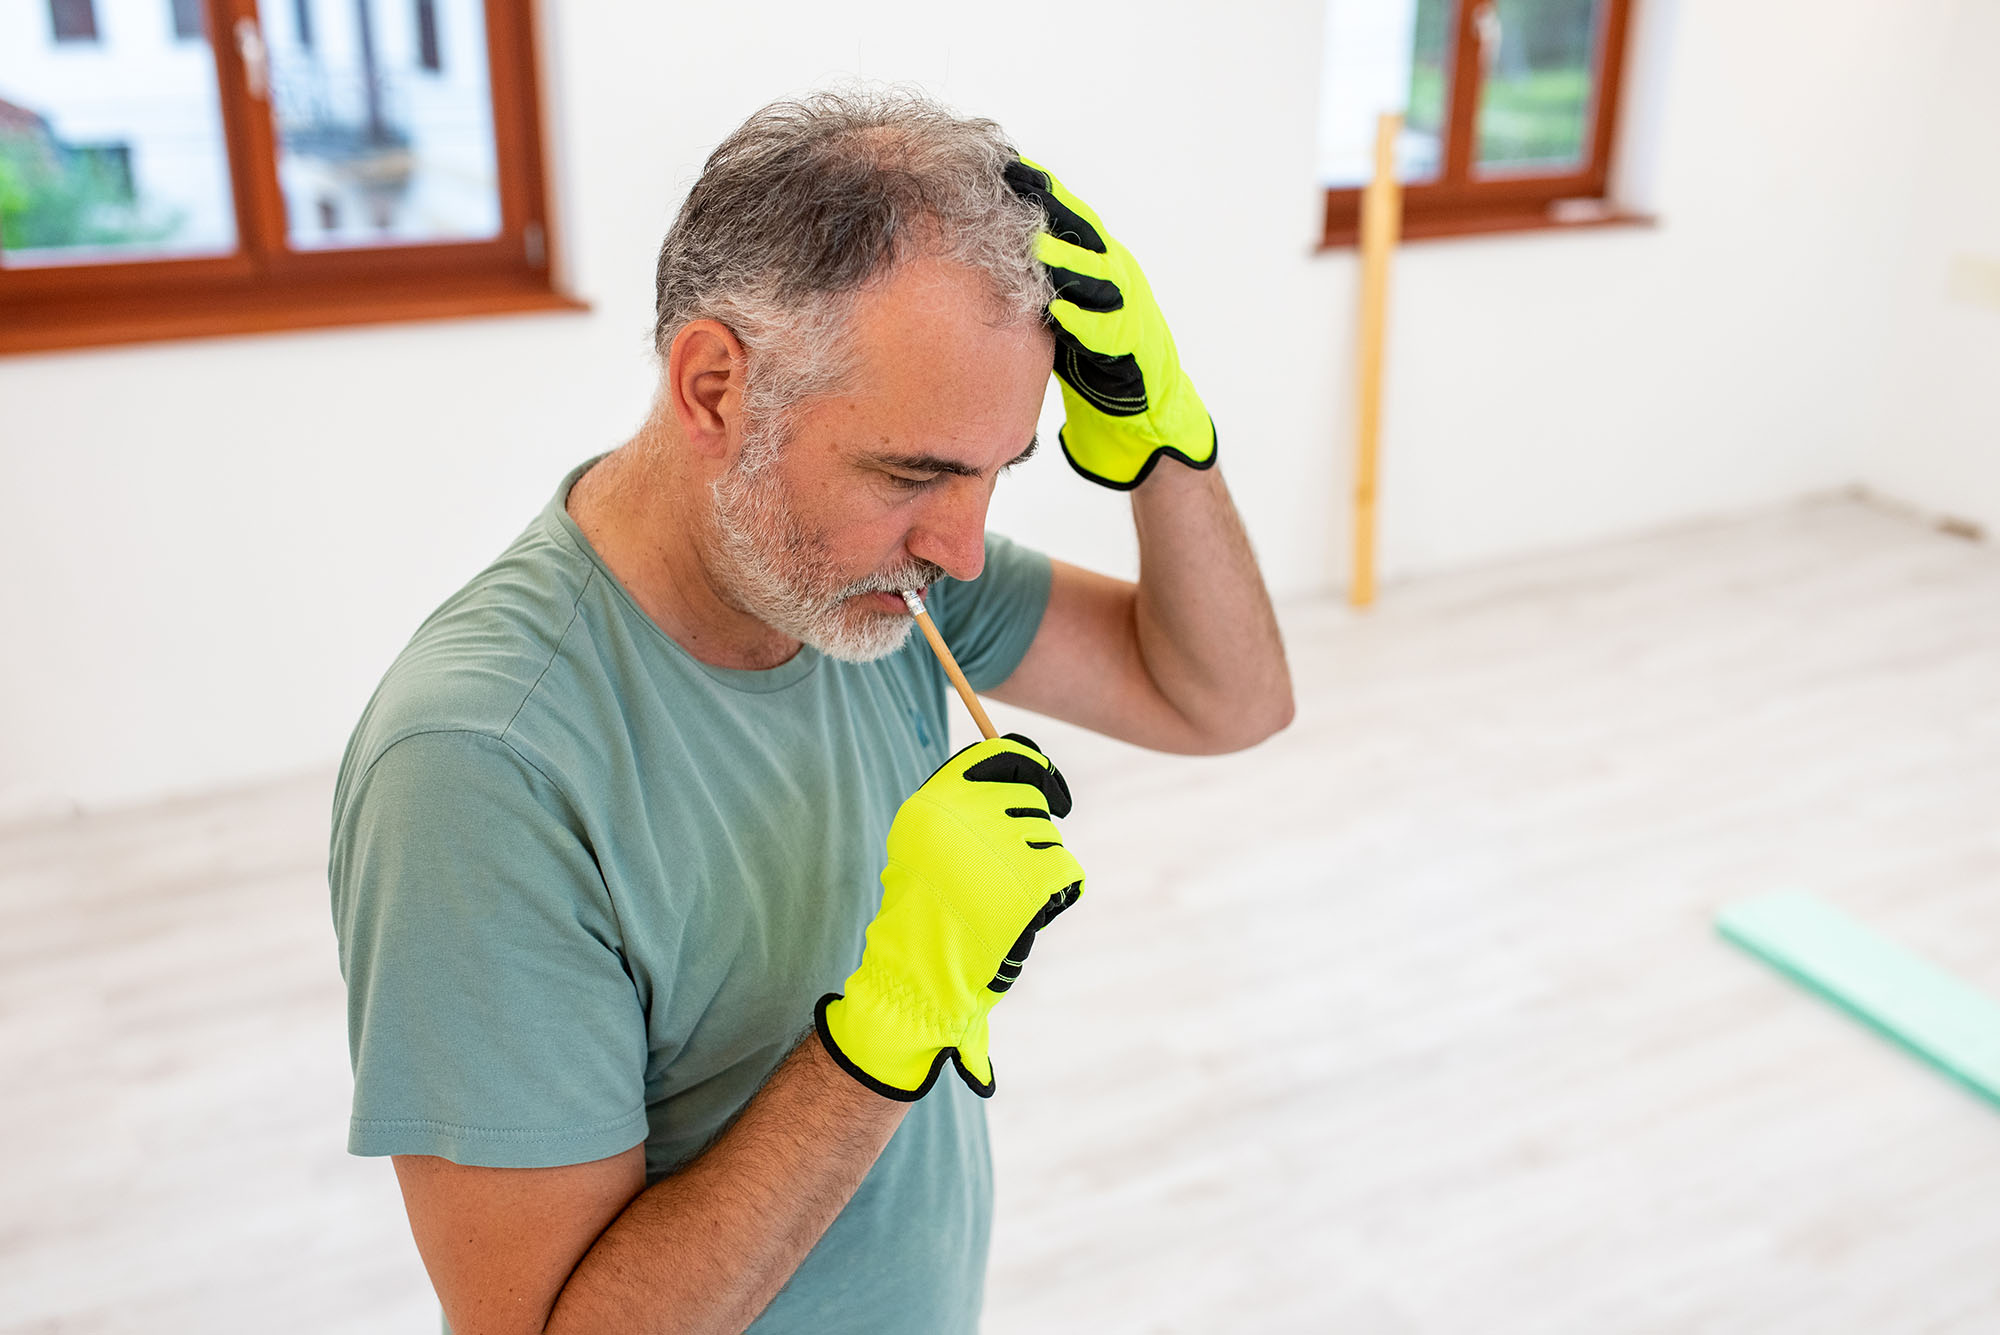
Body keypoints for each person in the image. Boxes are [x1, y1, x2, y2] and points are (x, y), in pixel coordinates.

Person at [328, 88, 1292, 1335]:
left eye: (997, 472)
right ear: (717, 388)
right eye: (915, 472)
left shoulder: (868, 583)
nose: (961, 546)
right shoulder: (477, 769)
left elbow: (1225, 701)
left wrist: (1168, 442)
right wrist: (892, 1020)